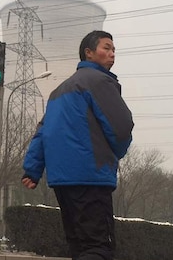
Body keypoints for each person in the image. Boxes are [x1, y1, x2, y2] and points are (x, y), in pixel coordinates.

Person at [22, 30, 134, 260]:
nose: (112, 54)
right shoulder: (99, 81)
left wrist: (32, 170)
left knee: (79, 247)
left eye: (114, 50)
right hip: (91, 177)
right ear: (89, 53)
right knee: (98, 248)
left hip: (63, 182)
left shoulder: (58, 91)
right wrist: (117, 152)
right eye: (106, 48)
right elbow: (121, 126)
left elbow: (43, 132)